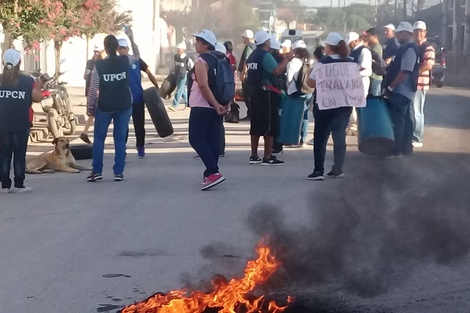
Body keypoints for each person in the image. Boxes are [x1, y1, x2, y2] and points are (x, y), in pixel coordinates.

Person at [306, 33, 358, 181]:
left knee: (321, 138)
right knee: (339, 137)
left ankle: (318, 170)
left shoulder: (322, 64)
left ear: (328, 48)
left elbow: (310, 83)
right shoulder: (351, 63)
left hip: (324, 106)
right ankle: (337, 169)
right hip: (344, 105)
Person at [86, 35, 133, 182]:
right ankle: (118, 172)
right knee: (119, 139)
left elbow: (93, 88)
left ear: (105, 48)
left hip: (105, 106)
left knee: (99, 139)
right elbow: (136, 56)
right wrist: (131, 37)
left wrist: (90, 106)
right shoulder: (125, 60)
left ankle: (97, 170)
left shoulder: (99, 65)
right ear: (117, 47)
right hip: (124, 105)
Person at [188, 30, 229, 191]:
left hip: (201, 105)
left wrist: (213, 103)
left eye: (197, 41)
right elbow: (228, 82)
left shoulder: (201, 61)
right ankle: (209, 174)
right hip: (218, 105)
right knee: (212, 140)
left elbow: (203, 85)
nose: (195, 43)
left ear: (205, 44)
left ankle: (213, 172)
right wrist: (225, 103)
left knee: (196, 139)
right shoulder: (221, 58)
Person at [246, 31, 293, 166]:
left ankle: (254, 155)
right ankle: (267, 156)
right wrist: (287, 59)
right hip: (266, 93)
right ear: (266, 42)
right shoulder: (265, 56)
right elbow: (276, 70)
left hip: (254, 92)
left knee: (255, 125)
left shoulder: (252, 55)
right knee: (270, 125)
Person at [0, 49, 44, 193]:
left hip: (3, 124)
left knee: (4, 154)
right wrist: (38, 86)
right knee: (19, 154)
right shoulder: (27, 81)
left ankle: (5, 185)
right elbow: (38, 97)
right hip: (21, 123)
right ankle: (19, 184)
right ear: (19, 63)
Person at [117, 34, 160, 158]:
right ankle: (122, 149)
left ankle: (140, 147)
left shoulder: (136, 60)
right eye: (119, 48)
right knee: (123, 126)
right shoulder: (116, 63)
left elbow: (148, 72)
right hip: (123, 100)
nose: (122, 51)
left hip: (137, 98)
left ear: (128, 49)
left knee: (139, 125)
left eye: (124, 48)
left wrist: (157, 87)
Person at [382, 22, 420, 157]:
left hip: (402, 90)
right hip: (403, 90)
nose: (397, 35)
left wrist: (391, 87)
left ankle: (397, 149)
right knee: (406, 120)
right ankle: (406, 147)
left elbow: (404, 71)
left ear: (408, 34)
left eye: (400, 33)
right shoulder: (404, 48)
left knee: (398, 121)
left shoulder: (409, 49)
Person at [412, 20, 435, 148]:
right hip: (411, 83)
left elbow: (428, 65)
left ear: (425, 32)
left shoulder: (428, 47)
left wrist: (413, 73)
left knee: (417, 111)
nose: (418, 34)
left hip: (420, 83)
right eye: (416, 31)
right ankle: (411, 135)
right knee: (411, 111)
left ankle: (417, 137)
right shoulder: (413, 47)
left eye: (421, 31)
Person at [286, 40, 313, 147]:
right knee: (305, 115)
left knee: (295, 116)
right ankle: (303, 139)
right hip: (308, 91)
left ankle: (294, 140)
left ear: (295, 50)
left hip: (295, 92)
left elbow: (289, 78)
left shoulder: (293, 62)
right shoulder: (310, 61)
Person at [345, 32, 372, 135]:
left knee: (358, 104)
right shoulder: (353, 51)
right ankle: (353, 125)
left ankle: (358, 126)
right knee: (351, 103)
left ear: (356, 41)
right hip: (353, 80)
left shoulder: (364, 51)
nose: (349, 45)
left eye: (350, 43)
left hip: (361, 80)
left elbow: (363, 66)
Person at [81, 43, 105, 144]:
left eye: (98, 53)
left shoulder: (100, 63)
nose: (96, 54)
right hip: (94, 91)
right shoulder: (93, 63)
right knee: (96, 113)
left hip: (94, 90)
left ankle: (85, 132)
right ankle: (94, 135)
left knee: (93, 114)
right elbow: (85, 76)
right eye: (95, 52)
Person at [306, 46, 326, 146]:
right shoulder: (337, 63)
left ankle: (318, 139)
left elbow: (310, 83)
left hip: (320, 96)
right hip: (334, 98)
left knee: (319, 119)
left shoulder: (319, 65)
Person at [170, 41, 194, 111]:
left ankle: (174, 105)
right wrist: (171, 72)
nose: (178, 50)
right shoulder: (175, 57)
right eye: (177, 49)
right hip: (177, 75)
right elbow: (172, 66)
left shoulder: (187, 58)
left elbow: (192, 67)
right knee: (182, 90)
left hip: (183, 76)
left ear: (183, 49)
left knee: (179, 90)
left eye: (179, 49)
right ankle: (187, 103)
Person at [237, 29, 256, 120]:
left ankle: (250, 114)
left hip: (248, 75)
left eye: (243, 37)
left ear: (245, 37)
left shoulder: (248, 47)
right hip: (253, 75)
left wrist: (243, 73)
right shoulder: (255, 46)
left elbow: (246, 60)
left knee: (247, 94)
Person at [365, 27, 384, 96]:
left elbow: (370, 57)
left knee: (374, 97)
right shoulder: (372, 46)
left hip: (376, 77)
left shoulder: (377, 47)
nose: (367, 38)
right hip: (373, 77)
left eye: (368, 36)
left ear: (375, 36)